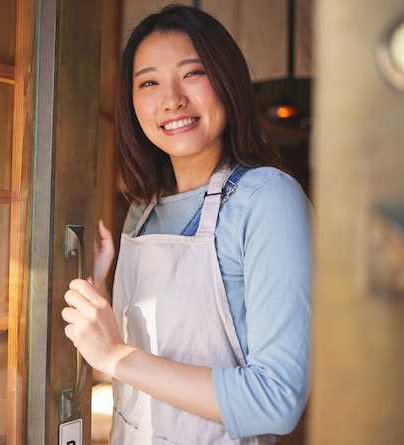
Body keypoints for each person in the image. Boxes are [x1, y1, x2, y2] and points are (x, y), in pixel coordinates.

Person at [61, 4, 312, 444]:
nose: (171, 99)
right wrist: (104, 301)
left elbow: (277, 400)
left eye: (192, 73)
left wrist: (116, 355)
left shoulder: (269, 199)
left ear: (228, 80)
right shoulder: (142, 209)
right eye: (149, 82)